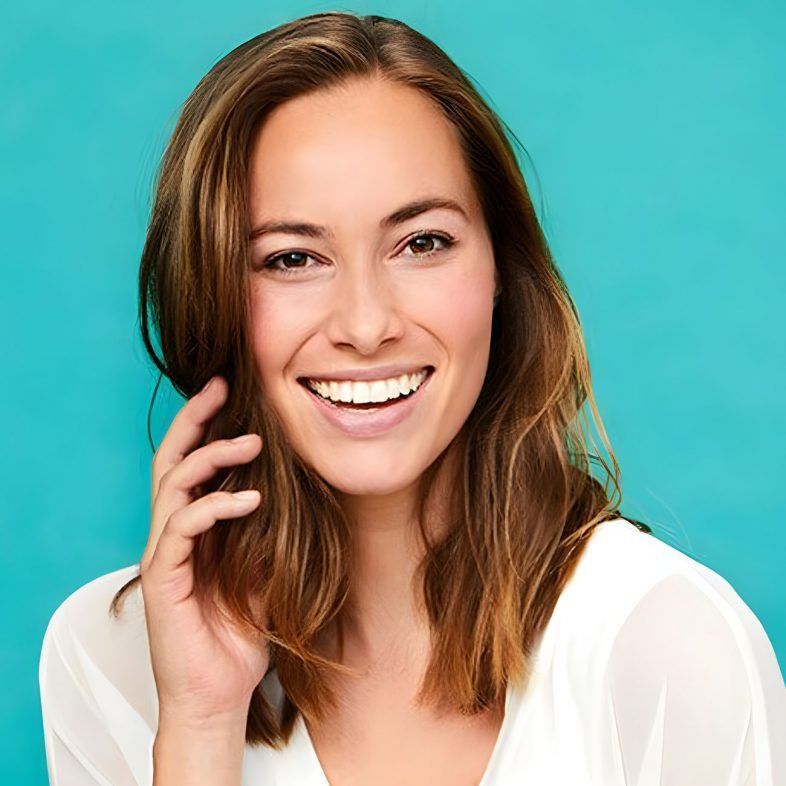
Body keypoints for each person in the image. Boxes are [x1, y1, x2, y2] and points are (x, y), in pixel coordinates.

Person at [38, 11, 786, 786]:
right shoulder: (108, 655)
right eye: (293, 258)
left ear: (502, 271)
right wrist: (198, 723)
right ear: (215, 300)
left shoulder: (669, 643)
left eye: (421, 243)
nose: (366, 325)